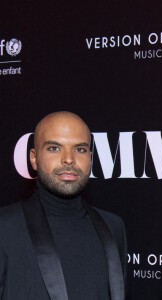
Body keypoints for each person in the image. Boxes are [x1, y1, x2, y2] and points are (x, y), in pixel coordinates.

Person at [0, 111, 127, 300]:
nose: (68, 159)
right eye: (54, 148)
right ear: (34, 158)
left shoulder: (113, 227)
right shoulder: (4, 227)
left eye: (80, 149)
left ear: (90, 158)